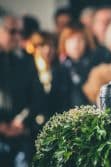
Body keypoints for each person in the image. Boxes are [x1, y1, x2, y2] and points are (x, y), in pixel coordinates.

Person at [0, 12, 43, 166]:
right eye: (12, 31)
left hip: (21, 134)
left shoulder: (26, 60)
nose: (17, 37)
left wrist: (22, 120)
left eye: (20, 32)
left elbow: (37, 95)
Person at [58, 23, 92, 107]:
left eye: (80, 40)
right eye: (71, 40)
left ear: (86, 42)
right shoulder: (59, 68)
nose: (76, 44)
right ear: (64, 42)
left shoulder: (92, 66)